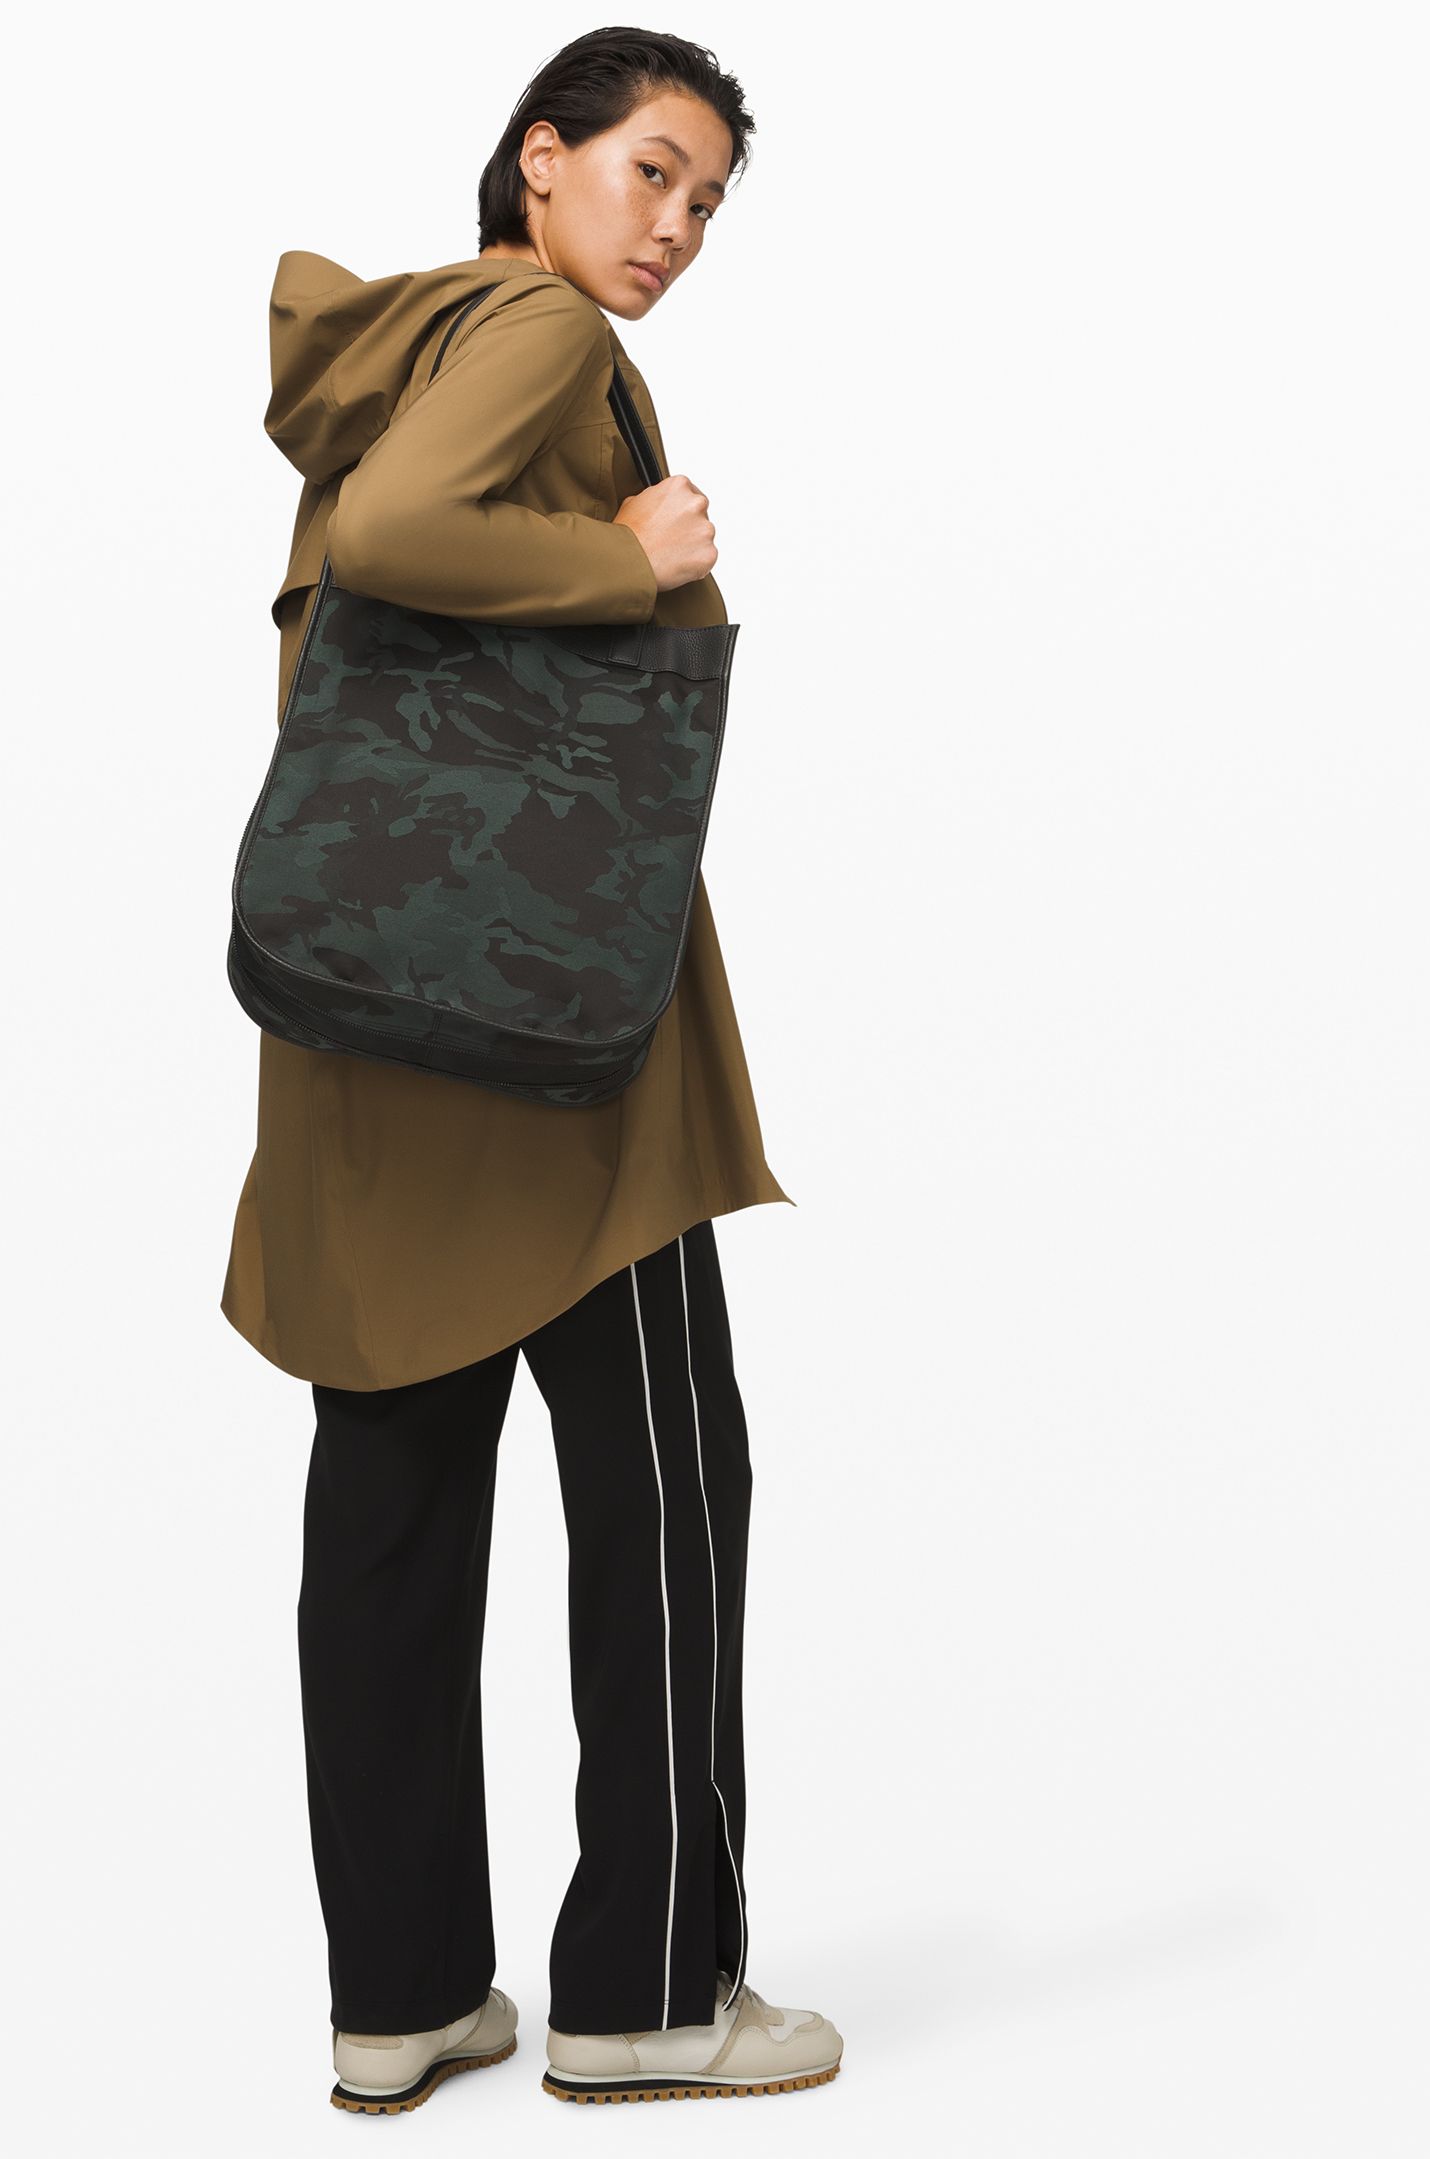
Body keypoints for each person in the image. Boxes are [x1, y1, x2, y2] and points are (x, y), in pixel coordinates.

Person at [220, 28, 844, 2112]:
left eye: (709, 203)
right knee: (664, 1484)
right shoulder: (540, 332)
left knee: (393, 1496)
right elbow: (408, 537)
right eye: (653, 170)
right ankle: (652, 1989)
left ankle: (401, 1995)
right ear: (541, 158)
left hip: (375, 1012)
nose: (677, 228)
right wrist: (626, 563)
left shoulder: (398, 348)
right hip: (556, 1037)